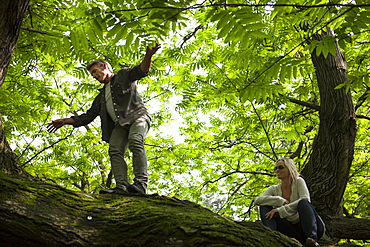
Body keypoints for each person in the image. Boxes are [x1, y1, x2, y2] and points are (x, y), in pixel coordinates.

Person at [47, 44, 161, 195]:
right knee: (114, 149)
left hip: (137, 117)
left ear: (105, 66)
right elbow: (87, 117)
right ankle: (122, 187)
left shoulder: (123, 75)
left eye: (95, 71)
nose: (94, 76)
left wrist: (148, 56)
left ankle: (140, 184)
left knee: (135, 141)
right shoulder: (100, 97)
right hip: (119, 125)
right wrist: (65, 121)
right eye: (92, 74)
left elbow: (141, 70)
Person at [254, 158, 325, 247]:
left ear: (289, 168)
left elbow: (306, 199)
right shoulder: (274, 189)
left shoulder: (299, 181)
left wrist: (279, 211)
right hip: (292, 230)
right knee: (264, 205)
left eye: (280, 167)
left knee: (303, 202)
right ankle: (271, 235)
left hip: (309, 226)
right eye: (275, 168)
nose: (277, 170)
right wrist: (279, 200)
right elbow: (257, 200)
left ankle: (312, 240)